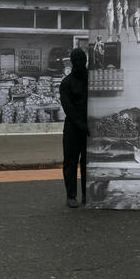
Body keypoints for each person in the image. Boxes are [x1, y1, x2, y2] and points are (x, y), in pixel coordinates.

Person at [59, 47, 89, 208]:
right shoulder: (66, 83)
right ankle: (71, 195)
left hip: (84, 127)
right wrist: (83, 125)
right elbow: (68, 108)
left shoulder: (90, 79)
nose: (79, 63)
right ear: (72, 62)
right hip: (74, 127)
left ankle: (85, 194)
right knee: (71, 162)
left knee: (85, 163)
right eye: (77, 61)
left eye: (81, 61)